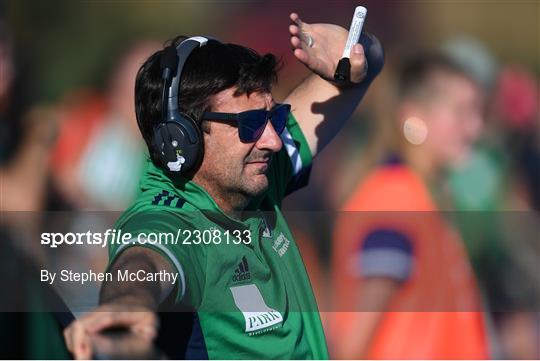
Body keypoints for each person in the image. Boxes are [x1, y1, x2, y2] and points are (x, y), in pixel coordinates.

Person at [63, 13, 384, 359]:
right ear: (183, 138)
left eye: (274, 117)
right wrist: (126, 303)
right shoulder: (172, 221)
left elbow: (368, 60)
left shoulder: (255, 172)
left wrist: (356, 53)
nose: (274, 140)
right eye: (251, 124)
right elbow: (143, 261)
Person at [329, 53, 490, 359]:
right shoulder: (396, 197)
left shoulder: (416, 195)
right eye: (461, 112)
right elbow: (355, 338)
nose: (475, 128)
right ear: (413, 117)